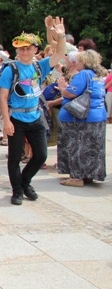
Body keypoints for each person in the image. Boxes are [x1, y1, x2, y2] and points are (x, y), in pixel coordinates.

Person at [0, 16, 66, 205]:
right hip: (16, 117)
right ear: (17, 51)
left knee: (41, 155)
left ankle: (25, 182)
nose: (25, 52)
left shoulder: (39, 65)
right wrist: (6, 121)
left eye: (28, 48)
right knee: (14, 157)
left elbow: (60, 54)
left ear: (35, 49)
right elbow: (3, 96)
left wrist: (61, 36)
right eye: (21, 49)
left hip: (35, 116)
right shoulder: (11, 69)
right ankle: (17, 190)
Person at [56, 49, 107, 186]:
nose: (76, 63)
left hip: (81, 117)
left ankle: (77, 178)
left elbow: (70, 93)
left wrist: (62, 88)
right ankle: (88, 175)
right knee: (93, 148)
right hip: (98, 116)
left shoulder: (83, 74)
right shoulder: (98, 75)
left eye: (78, 60)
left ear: (84, 62)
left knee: (76, 145)